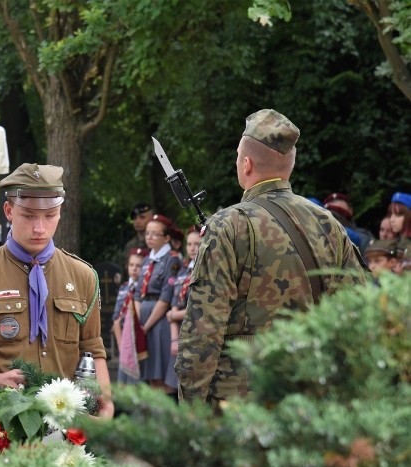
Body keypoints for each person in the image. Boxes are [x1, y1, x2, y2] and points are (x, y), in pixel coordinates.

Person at [175, 109, 368, 404]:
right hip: (311, 397)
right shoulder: (327, 223)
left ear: (247, 163)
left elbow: (203, 331)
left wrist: (191, 411)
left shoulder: (229, 225)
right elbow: (357, 314)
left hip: (239, 404)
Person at [0, 163, 114, 418]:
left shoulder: (83, 276)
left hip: (69, 423)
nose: (40, 228)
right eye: (29, 216)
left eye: (49, 215)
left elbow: (93, 350)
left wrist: (105, 400)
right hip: (1, 427)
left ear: (60, 212)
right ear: (9, 210)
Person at [133, 214, 181, 398]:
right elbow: (138, 294)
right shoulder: (146, 260)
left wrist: (146, 324)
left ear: (167, 237)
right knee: (151, 373)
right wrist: (139, 322)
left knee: (161, 372)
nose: (150, 237)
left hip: (159, 323)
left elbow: (166, 297)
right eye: (147, 233)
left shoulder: (172, 259)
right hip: (144, 321)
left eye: (155, 234)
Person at [165, 227, 201, 390]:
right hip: (179, 335)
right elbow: (174, 304)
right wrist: (174, 340)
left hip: (197, 333)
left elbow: (201, 308)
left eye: (197, 244)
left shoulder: (206, 271)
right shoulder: (183, 271)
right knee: (173, 385)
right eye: (189, 244)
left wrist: (175, 315)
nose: (192, 248)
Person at [111, 247, 145, 384]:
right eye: (131, 265)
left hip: (139, 340)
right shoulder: (124, 288)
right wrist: (120, 344)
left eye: (138, 266)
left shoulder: (144, 289)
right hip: (124, 341)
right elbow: (116, 318)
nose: (134, 269)